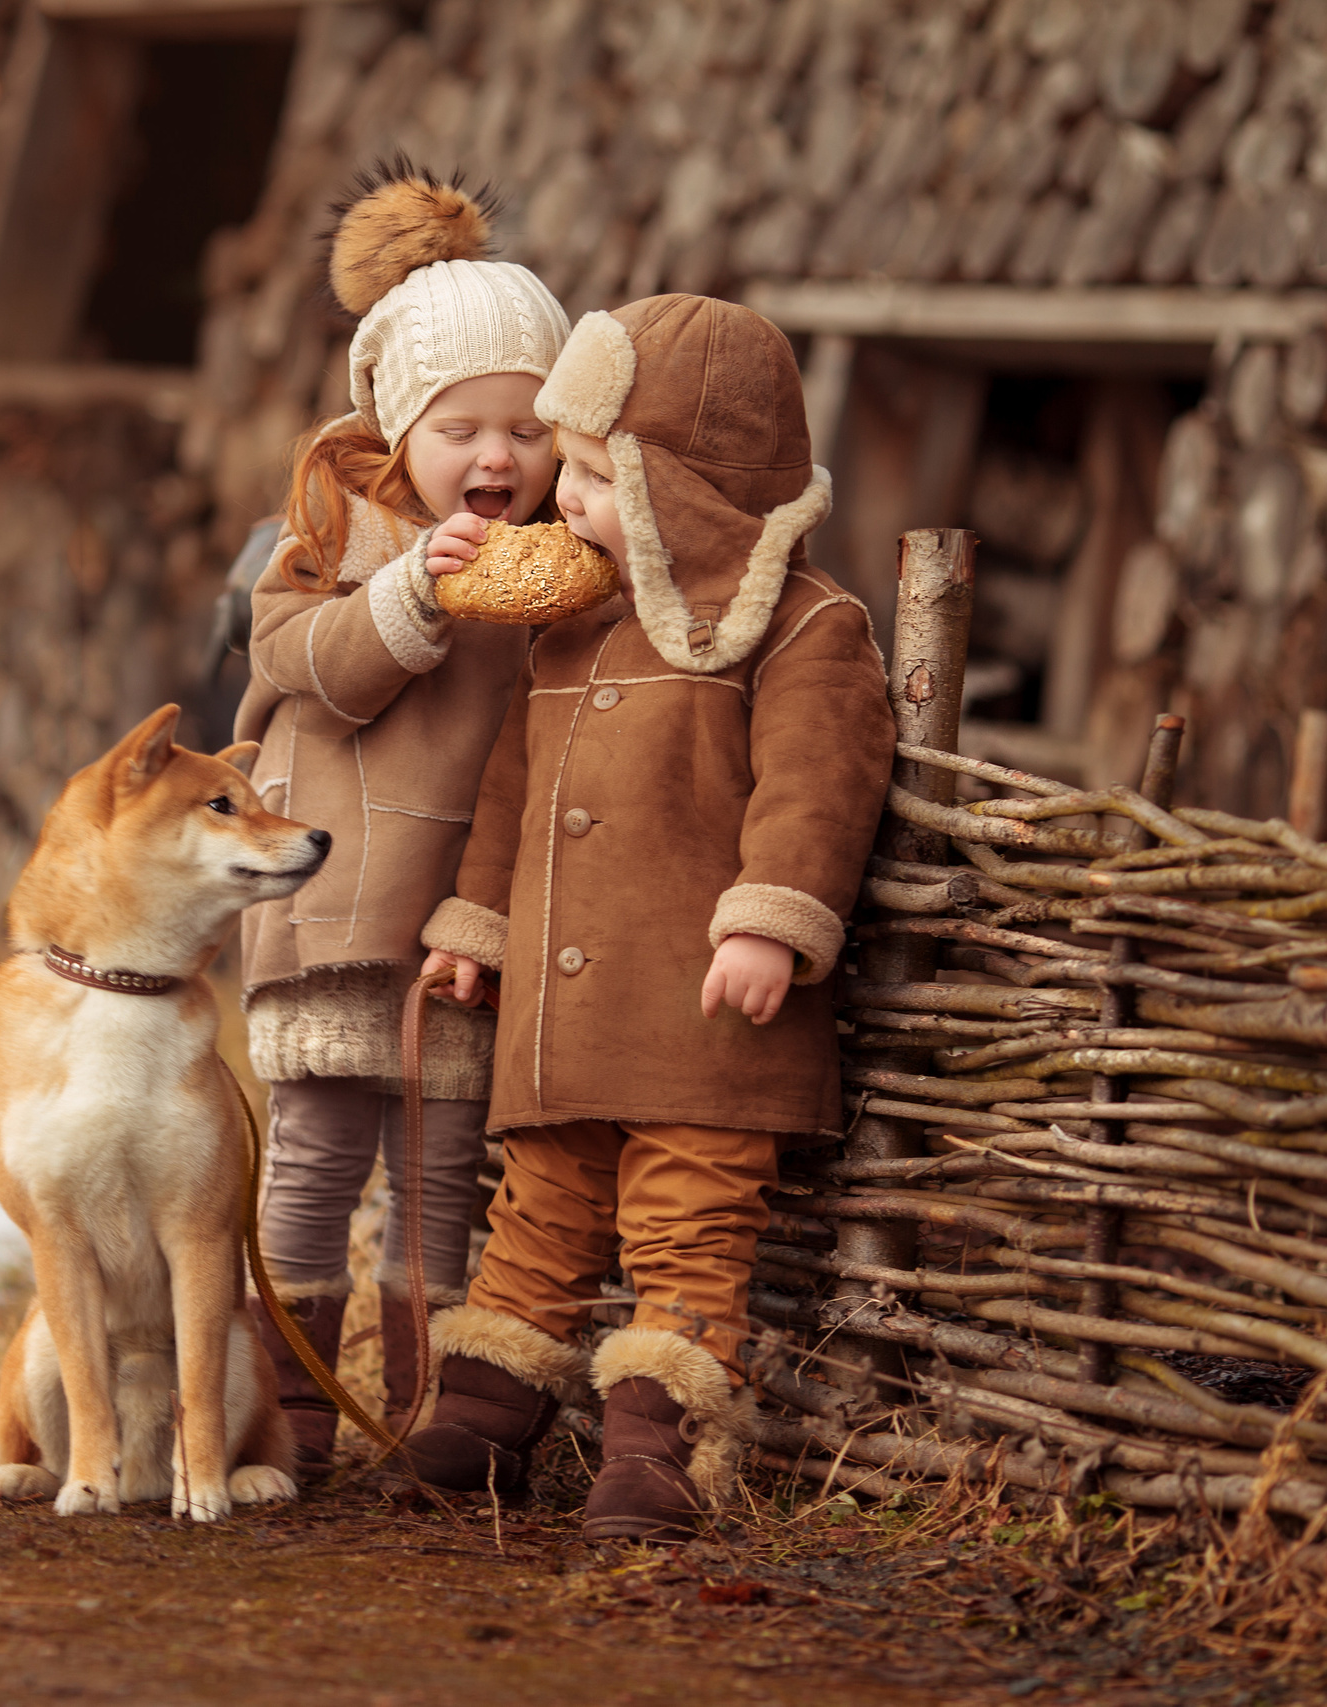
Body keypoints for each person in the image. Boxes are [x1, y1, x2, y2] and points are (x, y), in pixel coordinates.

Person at [404, 294, 896, 1542]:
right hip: (565, 1019)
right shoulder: (569, 628)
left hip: (700, 1021)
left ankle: (656, 1453)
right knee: (539, 1209)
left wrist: (769, 919)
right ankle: (483, 1412)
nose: (561, 499)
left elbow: (818, 781)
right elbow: (512, 793)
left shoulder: (801, 628)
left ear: (688, 488)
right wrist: (476, 929)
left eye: (592, 473)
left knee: (689, 1226)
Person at [233, 166, 570, 1480]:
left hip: (458, 929)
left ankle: (427, 1418)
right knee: (316, 1156)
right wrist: (408, 605)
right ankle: (291, 1405)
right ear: (395, 426)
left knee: (438, 1178)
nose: (498, 458)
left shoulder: (560, 574)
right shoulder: (340, 529)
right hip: (330, 913)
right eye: (462, 426)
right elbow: (293, 656)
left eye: (530, 431)